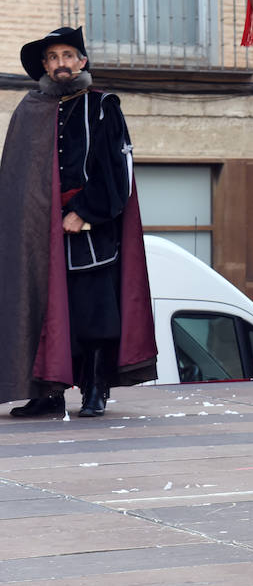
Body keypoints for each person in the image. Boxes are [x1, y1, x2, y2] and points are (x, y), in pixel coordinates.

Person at [1, 27, 157, 419]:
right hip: (40, 232)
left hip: (91, 232)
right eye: (52, 58)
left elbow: (117, 171)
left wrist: (83, 212)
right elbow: (18, 176)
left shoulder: (102, 106)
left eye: (68, 55)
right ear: (45, 67)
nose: (60, 64)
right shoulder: (29, 110)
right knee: (43, 312)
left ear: (82, 61)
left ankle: (95, 390)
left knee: (92, 316)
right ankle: (48, 393)